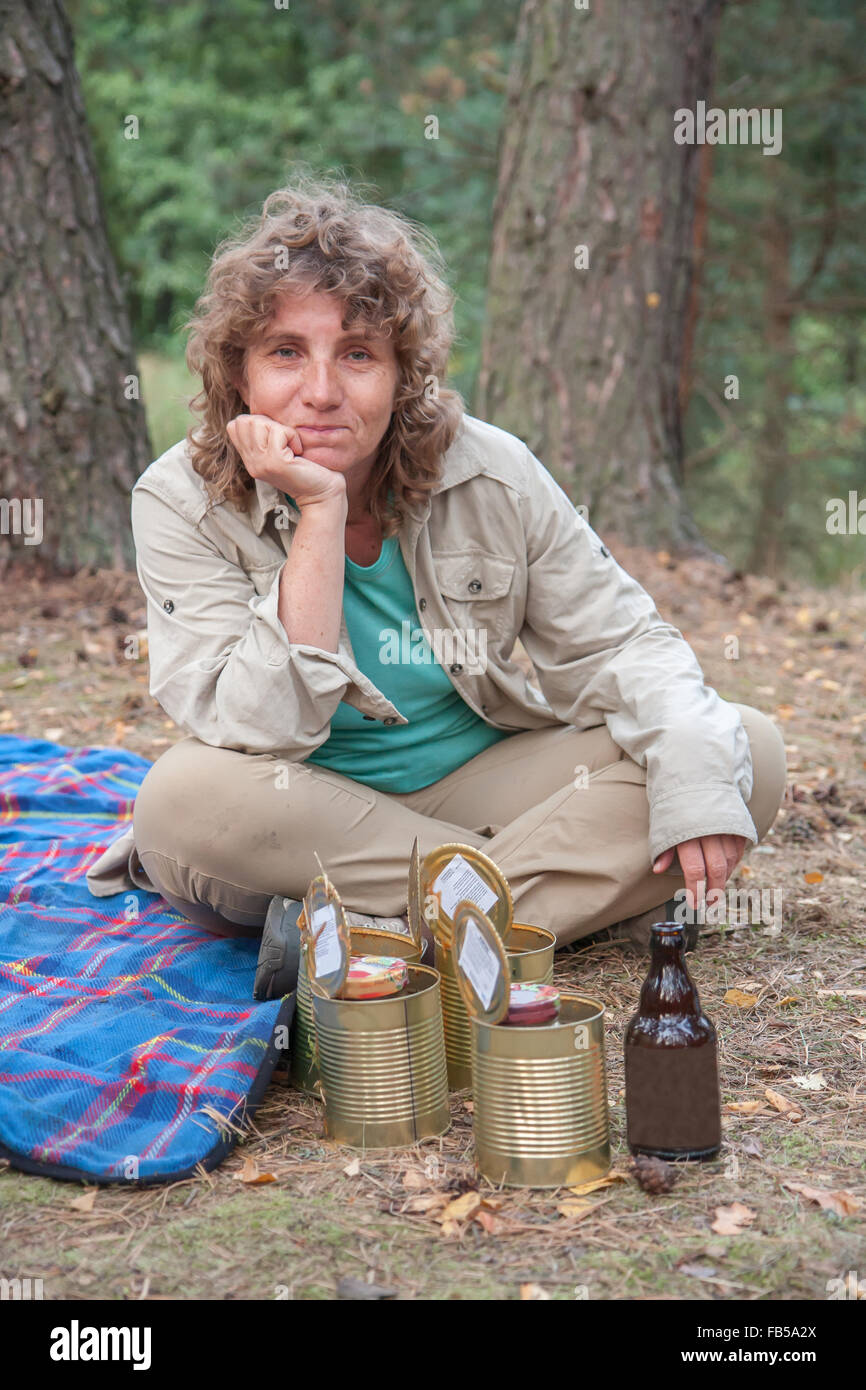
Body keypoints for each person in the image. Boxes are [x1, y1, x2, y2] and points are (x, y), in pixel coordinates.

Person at [86, 174, 786, 990]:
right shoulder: (181, 500)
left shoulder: (491, 471)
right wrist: (318, 513)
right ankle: (554, 907)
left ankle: (388, 943)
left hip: (482, 788)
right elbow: (261, 732)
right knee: (181, 804)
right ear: (238, 374)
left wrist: (694, 781)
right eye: (286, 353)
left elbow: (624, 645)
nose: (320, 391)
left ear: (402, 372)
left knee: (741, 755)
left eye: (357, 354)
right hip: (298, 809)